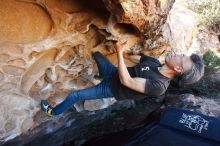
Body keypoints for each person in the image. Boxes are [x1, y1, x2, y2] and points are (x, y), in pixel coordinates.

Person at [41, 42, 204, 116]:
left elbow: (128, 82)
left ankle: (53, 112)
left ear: (178, 69)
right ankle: (99, 74)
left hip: (111, 88)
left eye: (181, 57)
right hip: (113, 74)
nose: (177, 53)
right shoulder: (154, 63)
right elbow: (137, 59)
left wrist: (119, 52)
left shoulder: (159, 86)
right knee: (97, 54)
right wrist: (124, 46)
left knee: (74, 96)